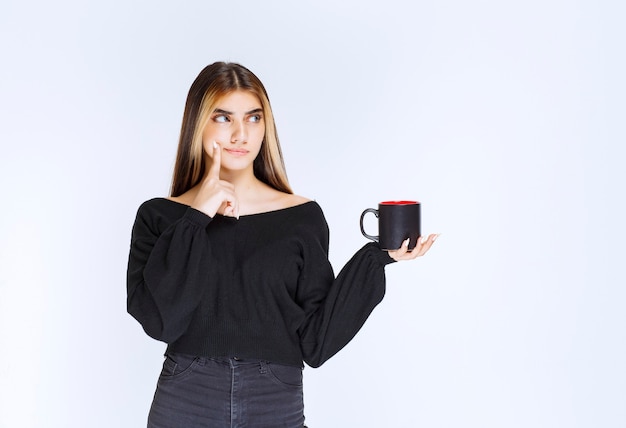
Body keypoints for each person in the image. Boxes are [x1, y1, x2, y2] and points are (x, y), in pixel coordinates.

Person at [126, 61, 438, 428]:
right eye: (224, 118)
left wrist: (376, 259)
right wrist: (197, 216)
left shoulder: (300, 217)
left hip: (274, 399)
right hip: (187, 399)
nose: (241, 134)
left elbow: (316, 342)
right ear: (199, 123)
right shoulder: (159, 217)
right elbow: (160, 322)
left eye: (254, 118)